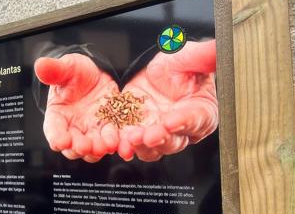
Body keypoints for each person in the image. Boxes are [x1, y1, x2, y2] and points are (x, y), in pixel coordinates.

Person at [33, 40, 218, 163]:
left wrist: (206, 76)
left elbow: (208, 38)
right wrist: (63, 61)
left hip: (161, 172)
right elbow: (41, 46)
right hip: (93, 174)